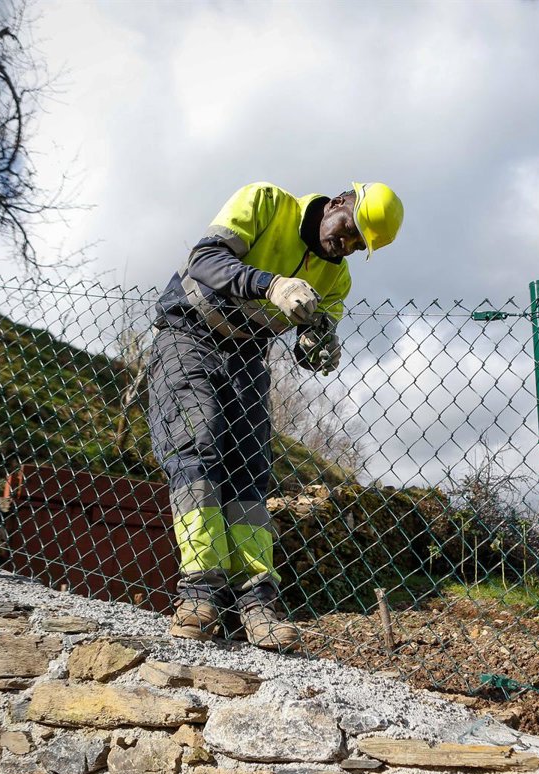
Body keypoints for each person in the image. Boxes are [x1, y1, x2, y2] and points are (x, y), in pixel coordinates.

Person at [148, 181, 404, 649]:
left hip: (248, 355)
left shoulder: (337, 279)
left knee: (250, 472)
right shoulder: (266, 202)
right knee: (197, 451)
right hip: (190, 333)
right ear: (339, 203)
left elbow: (314, 335)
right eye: (350, 230)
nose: (346, 245)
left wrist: (317, 344)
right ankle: (200, 595)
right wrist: (274, 285)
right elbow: (204, 260)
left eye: (358, 245)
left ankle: (256, 602)